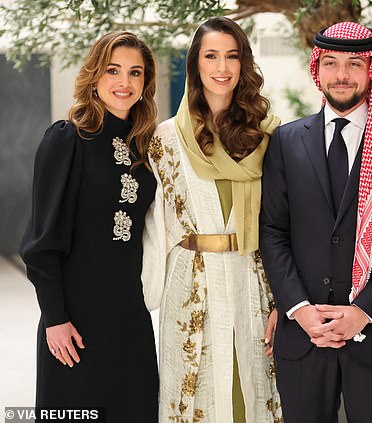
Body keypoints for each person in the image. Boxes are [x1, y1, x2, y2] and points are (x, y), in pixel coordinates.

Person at [259, 22, 372, 423]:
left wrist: (362, 312)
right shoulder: (285, 140)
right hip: (303, 333)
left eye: (354, 64)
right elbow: (273, 231)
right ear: (317, 69)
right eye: (330, 63)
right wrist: (299, 309)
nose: (341, 75)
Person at [141, 17, 282, 423]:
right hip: (190, 284)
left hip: (252, 278)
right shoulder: (165, 139)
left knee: (252, 392)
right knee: (197, 392)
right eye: (211, 56)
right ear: (195, 65)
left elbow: (281, 222)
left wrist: (284, 301)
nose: (222, 67)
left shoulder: (267, 136)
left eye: (232, 56)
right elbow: (155, 225)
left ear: (243, 64)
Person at [20, 32, 159, 421]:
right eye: (113, 70)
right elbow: (41, 243)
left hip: (130, 316)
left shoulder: (144, 146)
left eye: (136, 73)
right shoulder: (68, 139)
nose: (125, 82)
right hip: (74, 320)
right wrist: (55, 318)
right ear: (94, 75)